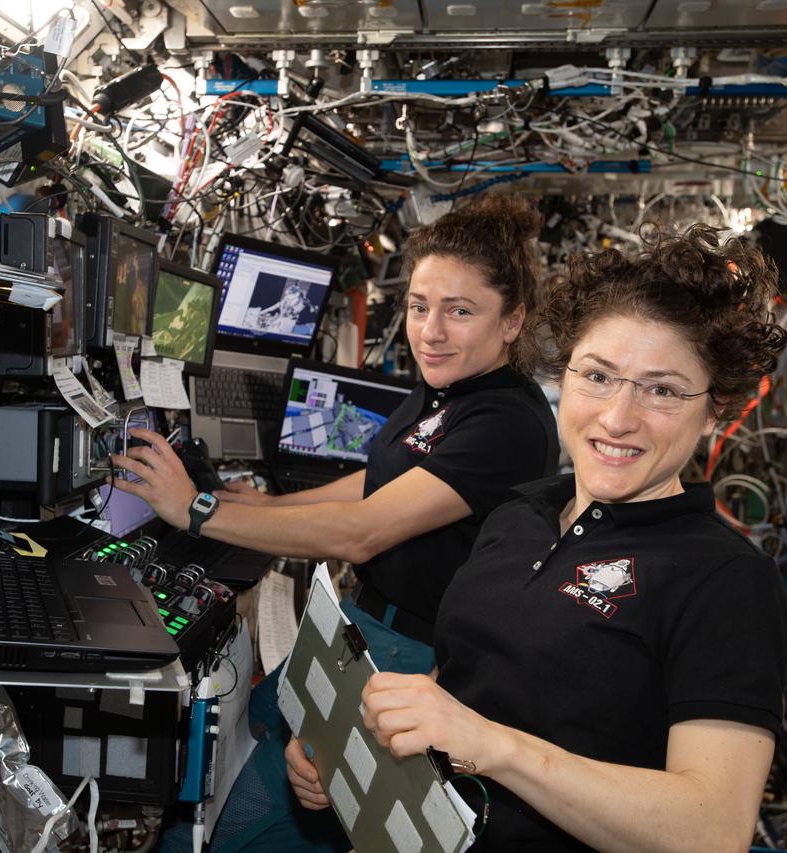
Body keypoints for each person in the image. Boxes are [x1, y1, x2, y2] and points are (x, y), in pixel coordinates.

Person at [287, 224, 787, 851]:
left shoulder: (725, 580)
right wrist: (356, 739)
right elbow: (461, 679)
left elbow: (711, 830)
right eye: (599, 377)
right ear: (564, 375)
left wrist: (494, 748)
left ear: (714, 408)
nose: (617, 417)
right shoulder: (519, 515)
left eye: (662, 390)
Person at [110, 193, 559, 851]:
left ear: (512, 320)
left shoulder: (506, 423)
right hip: (359, 627)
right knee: (233, 738)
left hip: (409, 657)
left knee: (223, 829)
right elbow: (376, 481)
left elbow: (363, 530)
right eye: (419, 306)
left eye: (460, 311)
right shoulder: (447, 390)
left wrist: (196, 511)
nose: (431, 330)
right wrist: (257, 506)